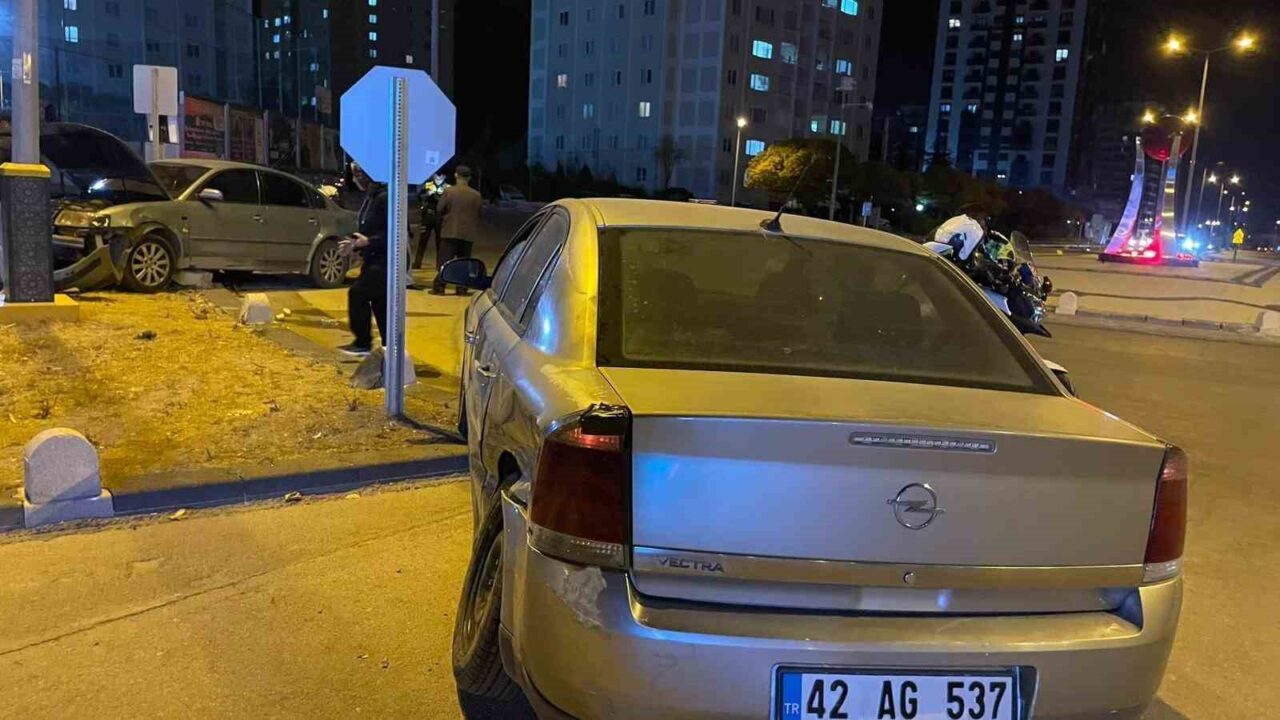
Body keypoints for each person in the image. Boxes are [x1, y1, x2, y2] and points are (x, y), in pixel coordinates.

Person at [337, 163, 389, 356]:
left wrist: (367, 242)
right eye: (354, 174)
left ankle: (363, 343)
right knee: (380, 303)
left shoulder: (383, 198)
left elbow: (393, 234)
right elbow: (369, 228)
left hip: (384, 261)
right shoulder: (372, 197)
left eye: (358, 173)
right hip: (373, 258)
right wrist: (354, 243)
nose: (355, 178)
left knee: (358, 293)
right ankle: (388, 348)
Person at [431, 165, 484, 295]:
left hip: (450, 231)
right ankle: (462, 288)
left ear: (456, 175)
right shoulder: (476, 195)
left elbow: (439, 209)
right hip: (468, 234)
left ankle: (439, 286)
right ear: (469, 178)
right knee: (464, 262)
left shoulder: (449, 191)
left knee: (445, 260)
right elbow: (479, 214)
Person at [413, 174, 445, 270]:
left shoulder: (446, 187)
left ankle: (439, 264)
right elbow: (419, 196)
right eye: (437, 176)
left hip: (439, 216)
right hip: (428, 215)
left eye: (441, 176)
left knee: (439, 241)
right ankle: (418, 262)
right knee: (423, 240)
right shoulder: (428, 185)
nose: (438, 178)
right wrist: (427, 196)